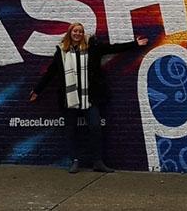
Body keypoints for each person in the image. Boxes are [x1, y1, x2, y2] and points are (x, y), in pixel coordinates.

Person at [30, 23, 148, 173]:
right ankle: (74, 161)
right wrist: (37, 90)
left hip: (90, 97)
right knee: (71, 130)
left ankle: (98, 162)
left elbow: (113, 48)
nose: (78, 34)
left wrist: (135, 44)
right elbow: (51, 73)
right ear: (70, 33)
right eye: (75, 31)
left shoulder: (93, 48)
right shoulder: (62, 51)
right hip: (70, 97)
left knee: (95, 127)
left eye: (80, 31)